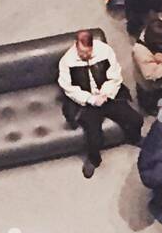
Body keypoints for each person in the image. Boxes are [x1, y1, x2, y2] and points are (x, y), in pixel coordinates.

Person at [58, 29, 142, 177]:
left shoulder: (105, 51)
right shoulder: (67, 61)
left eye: (87, 53)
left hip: (108, 96)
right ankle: (93, 159)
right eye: (81, 52)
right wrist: (91, 99)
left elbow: (115, 75)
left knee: (136, 119)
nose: (84, 56)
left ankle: (134, 138)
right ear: (76, 46)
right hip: (86, 102)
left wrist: (106, 93)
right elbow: (69, 88)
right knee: (94, 136)